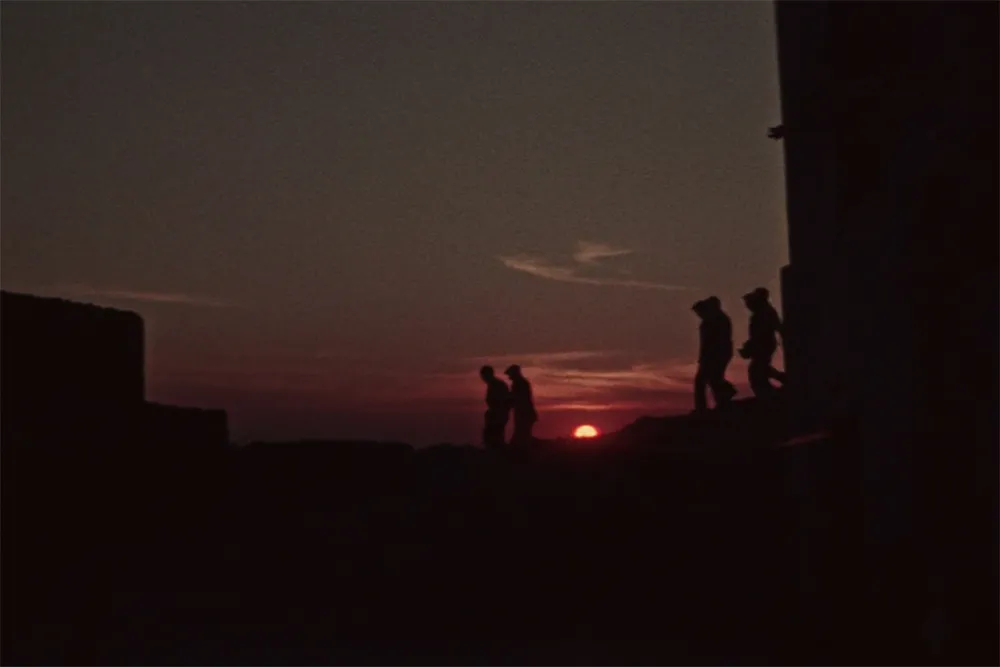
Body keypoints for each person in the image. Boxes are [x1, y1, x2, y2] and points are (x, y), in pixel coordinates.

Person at [738, 287, 787, 397]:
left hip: (764, 346)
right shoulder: (764, 312)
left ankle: (770, 395)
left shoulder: (764, 313)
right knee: (761, 369)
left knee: (757, 372)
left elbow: (761, 334)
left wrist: (749, 347)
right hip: (764, 345)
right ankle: (780, 382)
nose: (748, 306)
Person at [691, 296, 738, 412]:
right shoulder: (714, 320)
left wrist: (705, 358)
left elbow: (711, 342)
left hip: (715, 355)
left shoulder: (716, 321)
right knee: (714, 379)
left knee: (703, 380)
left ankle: (703, 408)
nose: (699, 315)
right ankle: (723, 400)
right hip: (715, 354)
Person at [504, 364, 538, 447]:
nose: (509, 376)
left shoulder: (519, 384)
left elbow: (517, 399)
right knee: (523, 435)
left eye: (510, 374)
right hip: (525, 413)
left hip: (524, 413)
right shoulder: (521, 383)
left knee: (522, 435)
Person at [479, 365, 510, 449]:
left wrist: (495, 412)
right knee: (495, 437)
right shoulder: (495, 384)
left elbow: (502, 401)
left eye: (483, 376)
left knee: (495, 438)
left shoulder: (496, 384)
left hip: (498, 415)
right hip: (498, 414)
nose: (482, 378)